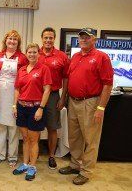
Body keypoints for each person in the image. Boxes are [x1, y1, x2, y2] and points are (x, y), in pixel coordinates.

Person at [59, 28, 113, 185]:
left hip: (90, 102)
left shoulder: (101, 57)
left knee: (91, 139)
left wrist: (100, 108)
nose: (83, 40)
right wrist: (64, 98)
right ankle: (75, 165)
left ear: (94, 40)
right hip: (73, 101)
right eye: (81, 37)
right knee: (74, 137)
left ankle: (86, 171)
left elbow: (107, 84)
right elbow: (69, 78)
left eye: (87, 37)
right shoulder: (75, 56)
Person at [12, 43, 52, 181]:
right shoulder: (22, 69)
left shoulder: (44, 69)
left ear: (38, 54)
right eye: (29, 52)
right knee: (25, 138)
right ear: (26, 54)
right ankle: (24, 163)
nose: (32, 54)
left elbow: (47, 90)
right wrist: (14, 105)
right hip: (22, 107)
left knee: (34, 139)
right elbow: (17, 89)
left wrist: (41, 108)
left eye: (35, 52)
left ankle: (32, 167)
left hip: (36, 108)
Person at [0, 30, 28, 167]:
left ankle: (12, 156)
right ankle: (0, 155)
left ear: (18, 43)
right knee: (0, 126)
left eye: (15, 39)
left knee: (13, 128)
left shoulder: (22, 57)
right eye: (10, 38)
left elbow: (25, 76)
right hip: (0, 94)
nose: (12, 41)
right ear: (5, 41)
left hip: (15, 94)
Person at [38, 27, 69, 169]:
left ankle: (51, 156)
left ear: (54, 39)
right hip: (36, 94)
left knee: (52, 127)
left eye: (51, 38)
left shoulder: (61, 56)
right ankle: (34, 153)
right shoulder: (35, 53)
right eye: (46, 37)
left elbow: (66, 78)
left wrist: (63, 98)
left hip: (53, 95)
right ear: (42, 39)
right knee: (35, 126)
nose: (48, 40)